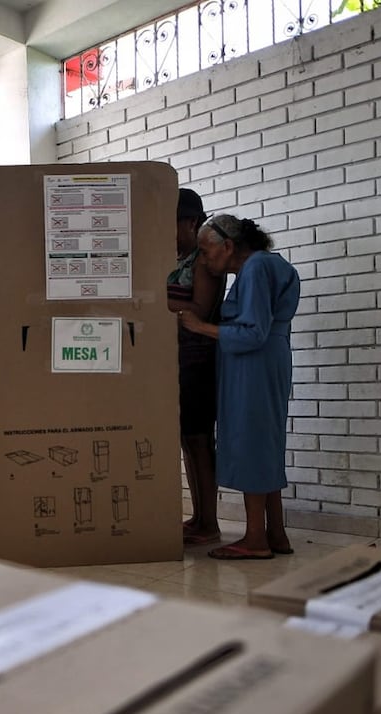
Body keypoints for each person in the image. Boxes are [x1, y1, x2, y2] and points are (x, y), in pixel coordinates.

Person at [179, 213, 300, 560]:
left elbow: (253, 332)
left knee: (252, 443)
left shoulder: (257, 268)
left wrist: (199, 326)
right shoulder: (270, 265)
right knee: (265, 443)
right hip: (268, 362)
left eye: (206, 252)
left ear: (228, 246)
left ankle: (255, 539)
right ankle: (275, 533)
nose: (204, 260)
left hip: (255, 364)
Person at [166, 189, 225, 545]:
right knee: (188, 439)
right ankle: (199, 516)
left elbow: (198, 312)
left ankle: (210, 522)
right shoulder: (177, 258)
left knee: (200, 441)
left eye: (171, 224)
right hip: (177, 357)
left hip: (197, 358)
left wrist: (155, 313)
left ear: (190, 222)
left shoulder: (202, 262)